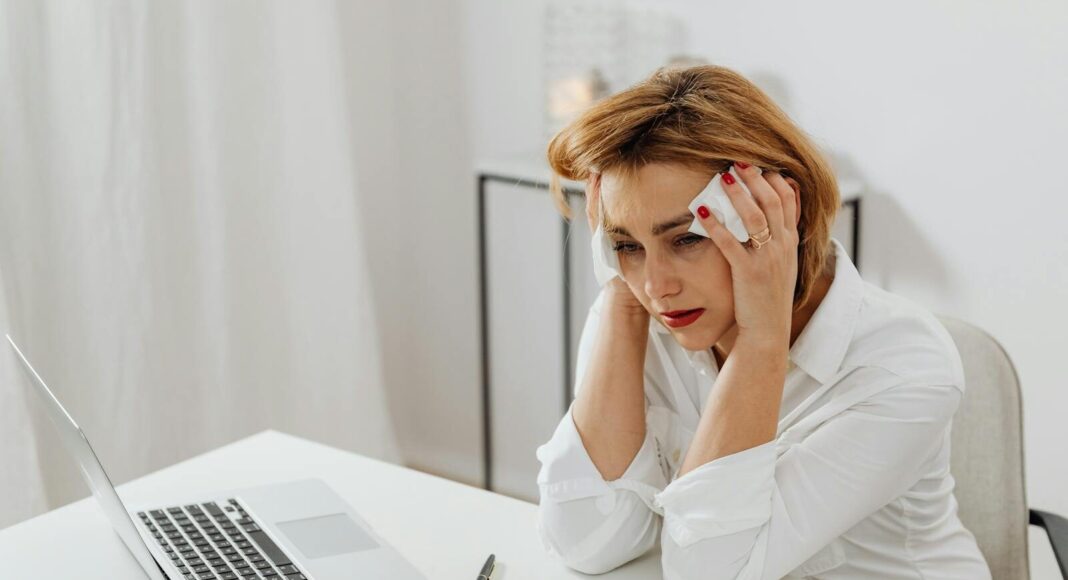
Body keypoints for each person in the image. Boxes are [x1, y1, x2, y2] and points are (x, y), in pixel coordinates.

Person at [534, 64, 991, 579]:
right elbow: (585, 544)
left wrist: (761, 339)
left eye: (686, 238)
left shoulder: (903, 368)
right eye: (626, 245)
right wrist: (619, 298)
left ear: (775, 211)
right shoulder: (637, 308)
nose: (656, 285)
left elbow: (706, 571)